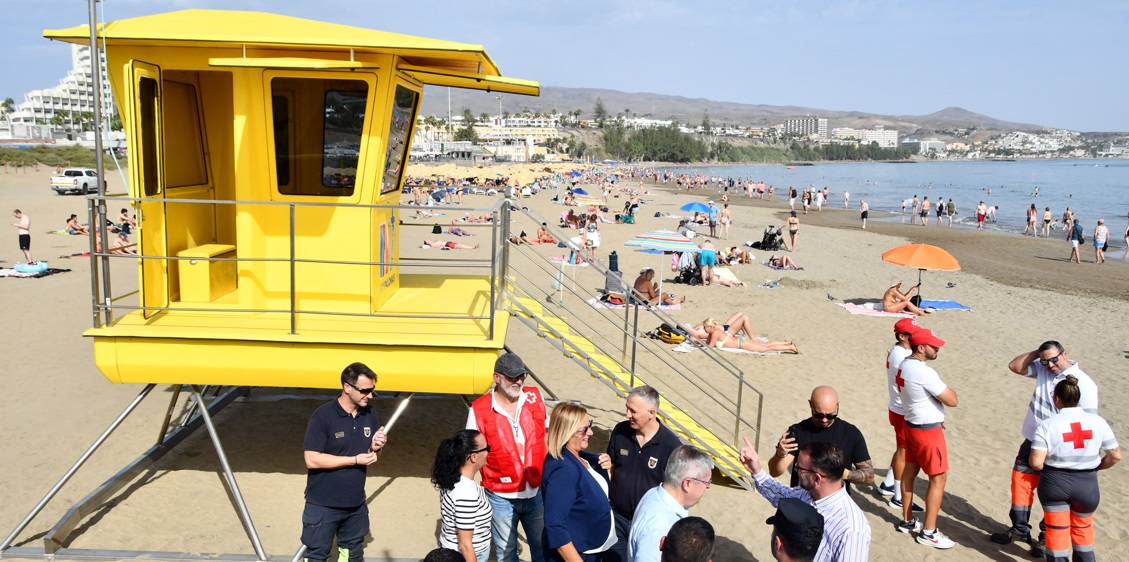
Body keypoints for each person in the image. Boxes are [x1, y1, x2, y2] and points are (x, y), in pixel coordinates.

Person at [990, 341, 1098, 557]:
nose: (1050, 365)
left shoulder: (1084, 384)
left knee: (1053, 495)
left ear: (1065, 354)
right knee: (1020, 485)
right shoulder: (1043, 369)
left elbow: (1089, 422)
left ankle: (1043, 538)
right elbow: (1015, 366)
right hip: (1032, 440)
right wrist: (1038, 354)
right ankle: (1020, 529)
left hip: (1059, 446)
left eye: (1054, 359)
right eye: (1045, 361)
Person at [300, 363, 389, 562]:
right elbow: (311, 459)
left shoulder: (370, 414)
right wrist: (354, 460)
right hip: (323, 504)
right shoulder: (323, 416)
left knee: (352, 556)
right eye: (365, 390)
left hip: (355, 504)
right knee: (316, 556)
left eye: (372, 390)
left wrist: (376, 448)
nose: (370, 395)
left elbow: (373, 456)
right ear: (347, 387)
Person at [1029, 376, 1120, 562]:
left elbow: (1036, 463)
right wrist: (1096, 468)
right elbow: (1115, 456)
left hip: (1054, 482)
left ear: (1056, 399)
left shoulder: (1047, 425)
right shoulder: (1098, 422)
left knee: (1057, 531)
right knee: (1083, 529)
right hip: (1087, 483)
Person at [467, 352, 547, 562]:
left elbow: (547, 435)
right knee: (506, 551)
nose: (518, 381)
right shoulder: (478, 409)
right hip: (500, 496)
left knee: (542, 547)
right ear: (497, 377)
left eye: (522, 376)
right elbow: (470, 453)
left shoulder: (535, 397)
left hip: (536, 490)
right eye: (512, 377)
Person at [739, 440, 872, 562]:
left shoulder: (851, 530)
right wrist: (757, 471)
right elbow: (782, 495)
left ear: (816, 479)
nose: (795, 471)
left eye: (799, 469)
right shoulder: (808, 492)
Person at [895, 329, 957, 549]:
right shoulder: (924, 372)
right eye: (933, 346)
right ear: (921, 348)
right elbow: (952, 400)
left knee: (909, 473)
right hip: (927, 431)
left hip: (911, 425)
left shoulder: (904, 364)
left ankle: (907, 518)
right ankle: (929, 532)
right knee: (938, 479)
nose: (937, 348)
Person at [541, 402, 616, 562]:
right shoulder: (562, 471)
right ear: (567, 432)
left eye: (589, 425)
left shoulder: (581, 457)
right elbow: (555, 526)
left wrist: (605, 470)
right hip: (577, 553)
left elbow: (588, 492)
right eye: (584, 429)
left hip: (592, 547)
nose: (591, 432)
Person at [768, 387, 874, 496]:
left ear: (837, 405)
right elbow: (775, 472)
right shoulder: (797, 432)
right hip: (801, 502)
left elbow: (869, 476)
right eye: (818, 415)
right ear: (810, 404)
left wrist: (842, 473)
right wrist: (779, 455)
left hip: (834, 505)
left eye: (831, 415)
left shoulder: (851, 433)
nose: (824, 420)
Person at [601, 386, 684, 523]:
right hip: (616, 518)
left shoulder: (671, 445)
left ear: (651, 412)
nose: (627, 414)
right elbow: (613, 466)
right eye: (627, 408)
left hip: (649, 521)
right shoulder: (620, 431)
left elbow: (677, 490)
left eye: (633, 411)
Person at [627, 446, 714, 562]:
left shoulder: (654, 493)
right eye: (706, 482)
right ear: (687, 483)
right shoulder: (661, 525)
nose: (708, 487)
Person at [877, 318, 924, 514]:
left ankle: (888, 484)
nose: (917, 336)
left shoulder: (898, 351)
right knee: (904, 453)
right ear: (902, 336)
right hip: (902, 411)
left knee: (902, 450)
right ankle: (898, 495)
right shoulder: (903, 357)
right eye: (913, 333)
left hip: (898, 408)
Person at [432, 429, 493, 562]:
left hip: (449, 550)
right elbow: (465, 545)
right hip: (466, 556)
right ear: (473, 457)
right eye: (486, 448)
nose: (489, 452)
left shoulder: (452, 476)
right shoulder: (466, 493)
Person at [702, 318, 798, 354]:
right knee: (766, 345)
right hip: (741, 341)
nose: (704, 329)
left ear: (710, 327)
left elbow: (709, 347)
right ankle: (787, 343)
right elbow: (707, 343)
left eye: (705, 327)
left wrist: (698, 342)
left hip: (741, 343)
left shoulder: (715, 333)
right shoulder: (714, 332)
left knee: (766, 348)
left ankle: (790, 347)